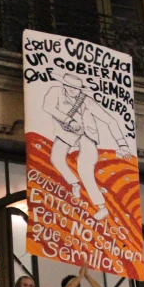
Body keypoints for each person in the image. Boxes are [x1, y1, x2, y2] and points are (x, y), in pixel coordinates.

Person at [43, 73, 133, 221]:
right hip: (66, 132)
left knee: (85, 169)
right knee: (56, 158)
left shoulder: (87, 101)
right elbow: (48, 107)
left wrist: (122, 144)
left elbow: (110, 120)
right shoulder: (55, 91)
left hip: (87, 134)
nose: (73, 90)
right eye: (70, 87)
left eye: (76, 88)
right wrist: (69, 120)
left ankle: (101, 207)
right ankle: (74, 183)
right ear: (64, 85)